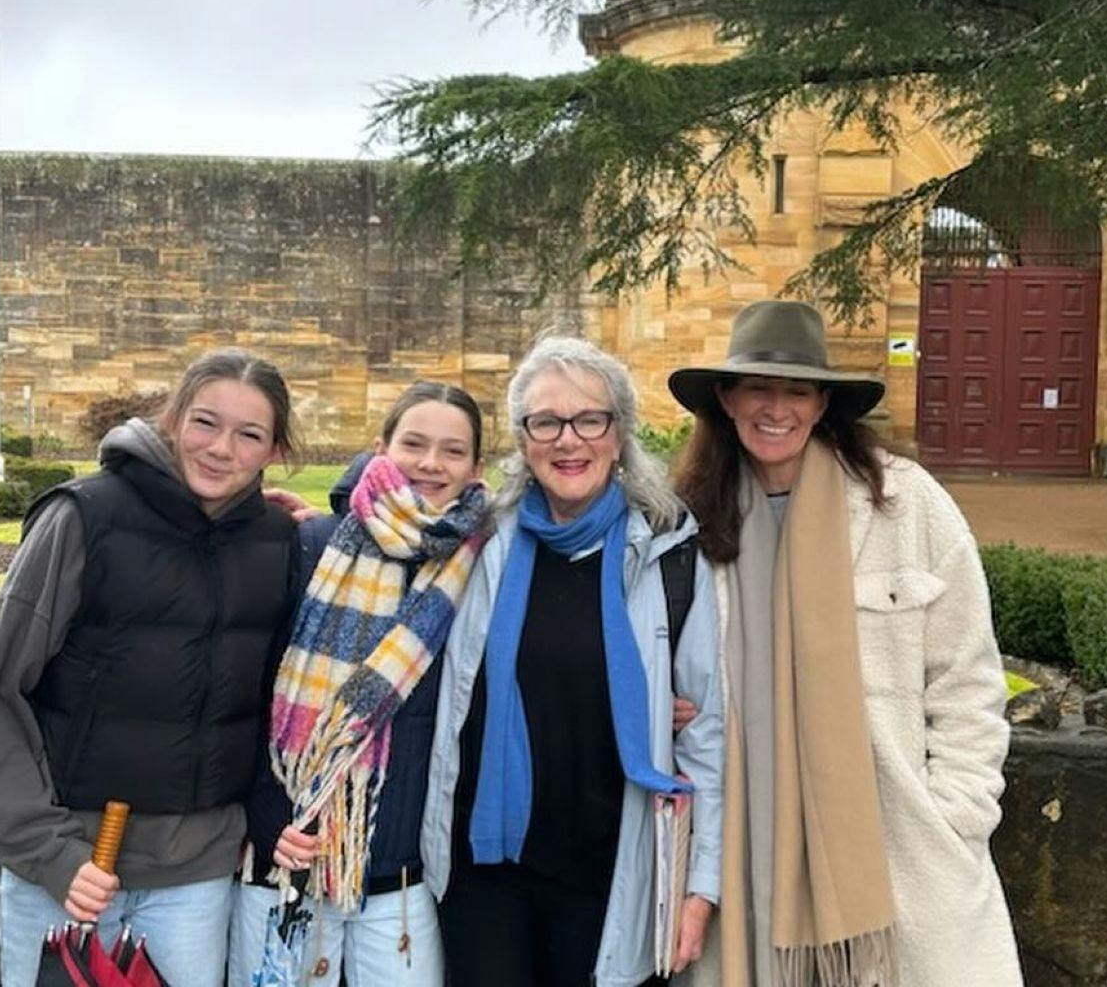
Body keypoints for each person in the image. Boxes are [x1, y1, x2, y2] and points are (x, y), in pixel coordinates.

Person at [670, 300, 1022, 987]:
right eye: (758, 388)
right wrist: (665, 704)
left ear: (822, 402)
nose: (776, 409)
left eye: (796, 391)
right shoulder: (687, 523)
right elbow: (648, 655)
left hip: (893, 848)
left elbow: (968, 677)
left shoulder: (905, 505)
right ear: (726, 398)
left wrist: (958, 813)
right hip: (742, 838)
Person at [0, 349, 301, 987]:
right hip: (71, 868)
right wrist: (47, 850)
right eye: (205, 422)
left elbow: (275, 705)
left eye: (249, 434)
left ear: (274, 450)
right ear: (173, 418)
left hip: (195, 878)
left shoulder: (278, 542)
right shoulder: (83, 517)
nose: (221, 449)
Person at [421, 335, 725, 987]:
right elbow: (391, 524)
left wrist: (701, 888)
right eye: (546, 422)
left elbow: (707, 735)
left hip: (611, 876)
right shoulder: (478, 542)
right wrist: (324, 517)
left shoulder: (669, 554)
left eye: (590, 420)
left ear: (619, 435)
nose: (568, 440)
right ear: (522, 439)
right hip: (485, 872)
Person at [230, 381, 494, 987]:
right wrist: (268, 815)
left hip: (401, 877)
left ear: (477, 468)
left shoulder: (483, 565)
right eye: (414, 444)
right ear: (381, 449)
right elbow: (248, 689)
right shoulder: (312, 544)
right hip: (289, 860)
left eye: (453, 451)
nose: (431, 463)